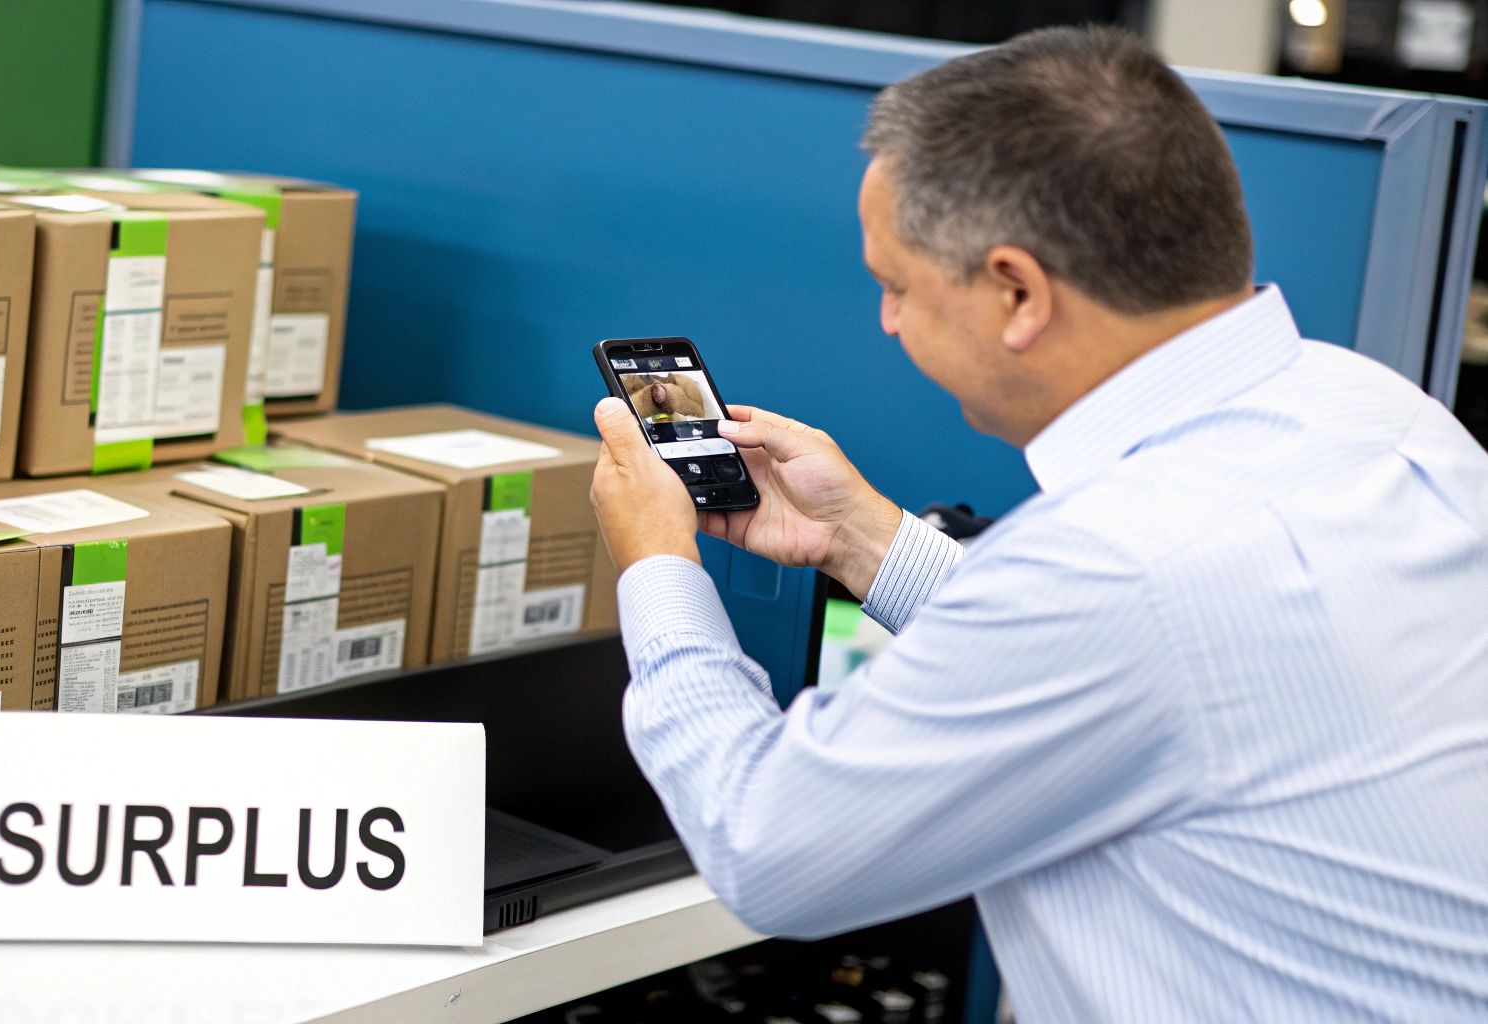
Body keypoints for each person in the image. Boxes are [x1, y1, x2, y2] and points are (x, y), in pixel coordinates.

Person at [588, 25, 1488, 1023]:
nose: (887, 321)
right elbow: (1140, 673)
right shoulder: (1374, 411)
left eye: (896, 284)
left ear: (1016, 291)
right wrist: (861, 539)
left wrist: (658, 565)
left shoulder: (1116, 563)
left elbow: (766, 846)